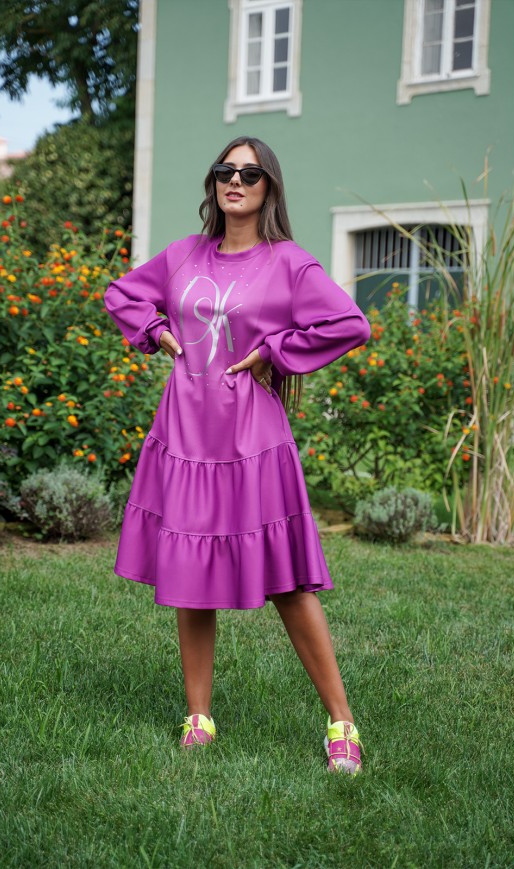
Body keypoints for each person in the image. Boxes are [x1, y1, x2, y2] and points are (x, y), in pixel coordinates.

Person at [104, 136, 371, 774]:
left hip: (253, 439)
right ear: (214, 182)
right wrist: (156, 331)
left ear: (268, 187)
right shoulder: (182, 255)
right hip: (186, 433)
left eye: (250, 174)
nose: (236, 181)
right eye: (226, 170)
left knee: (289, 580)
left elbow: (349, 324)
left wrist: (275, 351)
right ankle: (198, 717)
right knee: (190, 577)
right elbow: (121, 294)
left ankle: (342, 722)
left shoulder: (290, 264)